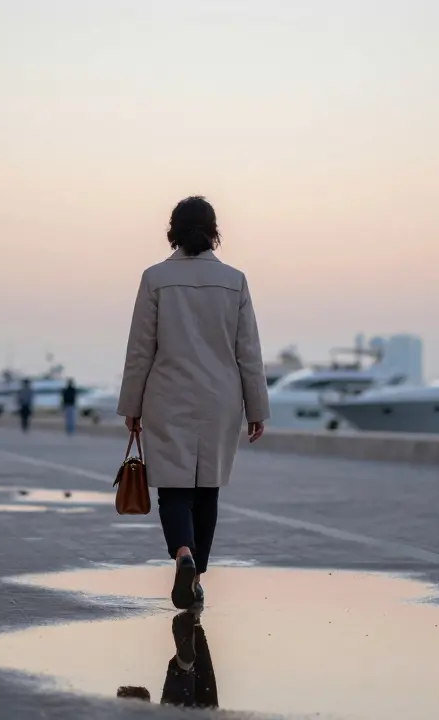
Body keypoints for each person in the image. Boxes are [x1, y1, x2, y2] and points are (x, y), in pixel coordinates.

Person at [117, 196, 269, 611]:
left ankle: (183, 553)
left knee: (174, 489)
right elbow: (248, 352)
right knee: (207, 492)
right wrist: (257, 409)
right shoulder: (235, 281)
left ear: (173, 231)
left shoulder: (155, 278)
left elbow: (140, 350)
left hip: (167, 396)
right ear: (214, 231)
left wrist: (132, 405)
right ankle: (196, 575)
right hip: (221, 399)